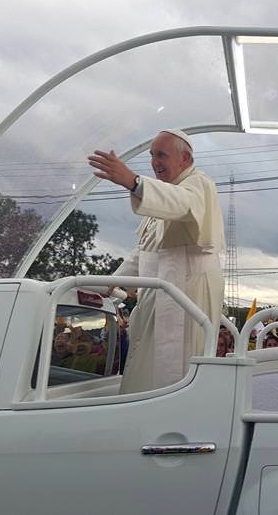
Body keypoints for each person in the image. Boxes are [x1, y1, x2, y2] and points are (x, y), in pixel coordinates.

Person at [89, 129, 225, 391]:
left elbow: (182, 203)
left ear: (185, 159)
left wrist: (134, 182)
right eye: (152, 155)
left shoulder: (198, 184)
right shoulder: (164, 192)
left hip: (186, 294)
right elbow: (144, 252)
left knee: (172, 375)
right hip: (158, 294)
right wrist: (107, 283)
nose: (154, 162)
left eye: (161, 155)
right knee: (144, 368)